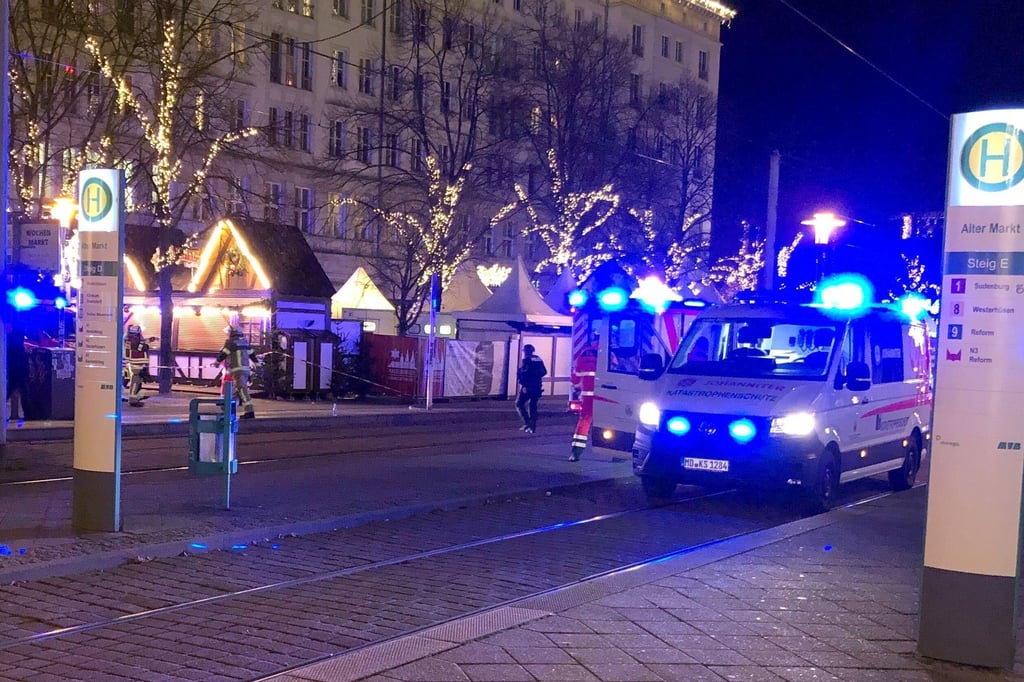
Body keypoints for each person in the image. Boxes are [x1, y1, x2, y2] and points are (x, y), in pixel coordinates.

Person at [216, 326, 259, 419]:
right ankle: (228, 409)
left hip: (237, 370)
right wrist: (256, 363)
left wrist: (217, 362)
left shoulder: (230, 342)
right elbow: (252, 354)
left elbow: (224, 353)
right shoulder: (245, 342)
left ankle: (249, 411)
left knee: (242, 390)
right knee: (236, 390)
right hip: (246, 370)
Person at [569, 347, 597, 461]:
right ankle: (616, 454)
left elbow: (575, 380)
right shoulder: (610, 354)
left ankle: (576, 453)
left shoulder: (583, 355)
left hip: (587, 397)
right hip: (606, 396)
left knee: (584, 423)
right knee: (611, 423)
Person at [515, 344, 547, 433]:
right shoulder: (538, 359)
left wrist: (524, 385)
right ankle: (532, 426)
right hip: (537, 386)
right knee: (533, 405)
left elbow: (523, 374)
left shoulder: (526, 360)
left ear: (526, 351)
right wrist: (536, 377)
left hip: (528, 386)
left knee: (519, 403)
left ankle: (527, 423)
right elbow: (544, 371)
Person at [124, 324, 153, 407]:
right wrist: (145, 345)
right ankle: (133, 399)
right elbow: (140, 347)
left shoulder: (129, 338)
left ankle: (136, 397)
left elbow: (141, 343)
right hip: (136, 363)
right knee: (136, 381)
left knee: (138, 381)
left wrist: (150, 340)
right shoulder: (133, 339)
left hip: (136, 362)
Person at [6, 324, 29, 423]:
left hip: (13, 369)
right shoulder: (18, 346)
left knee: (9, 390)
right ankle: (28, 414)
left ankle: (25, 413)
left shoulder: (11, 342)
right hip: (19, 369)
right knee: (24, 391)